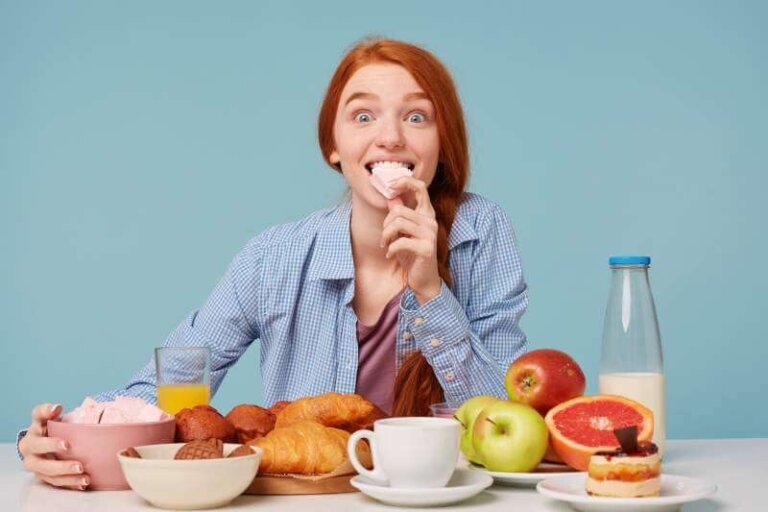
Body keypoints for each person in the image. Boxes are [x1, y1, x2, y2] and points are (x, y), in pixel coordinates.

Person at [18, 38, 528, 490]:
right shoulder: (275, 257)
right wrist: (58, 437)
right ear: (334, 145)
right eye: (363, 116)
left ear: (442, 142)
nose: (390, 137)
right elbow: (172, 381)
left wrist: (430, 292)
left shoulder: (479, 233)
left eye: (416, 116)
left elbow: (507, 421)